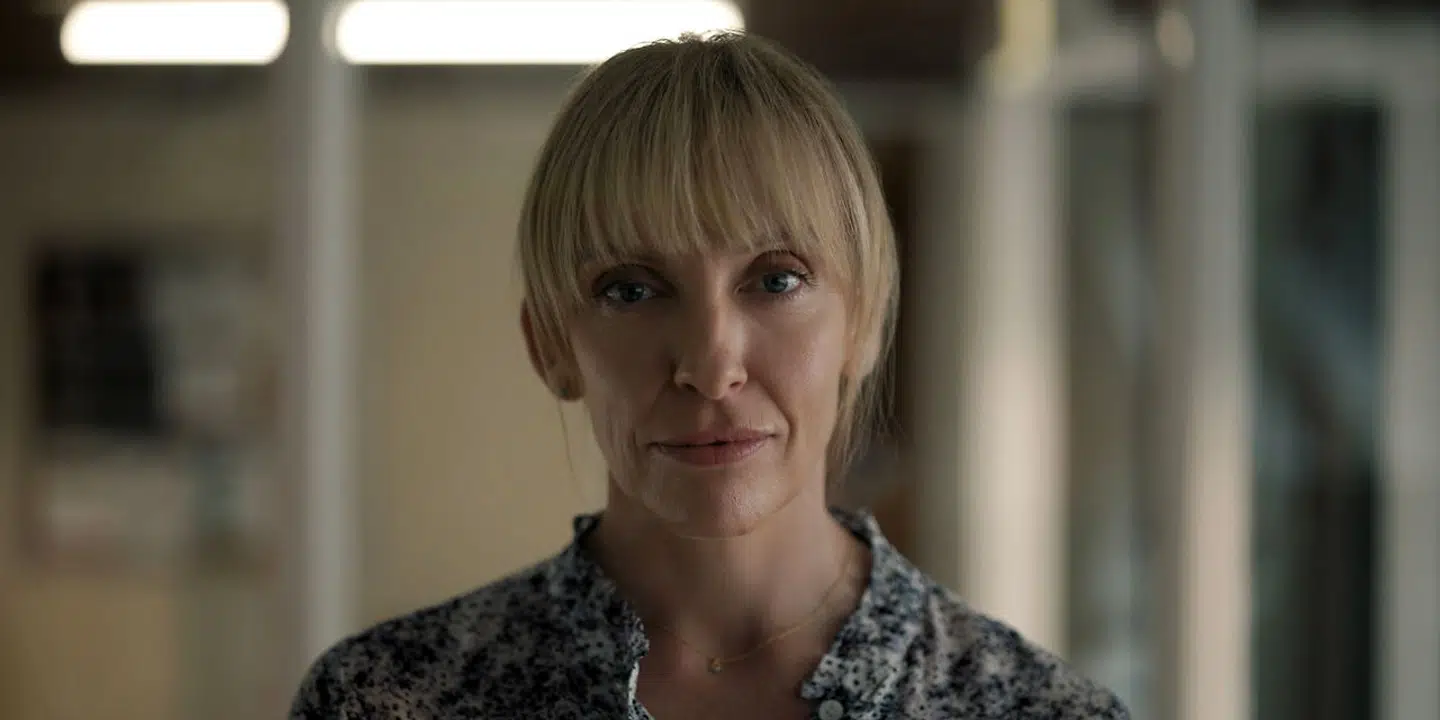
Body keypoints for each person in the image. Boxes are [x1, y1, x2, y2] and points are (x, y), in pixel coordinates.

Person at [290, 32, 1128, 720]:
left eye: (776, 280)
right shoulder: (385, 700)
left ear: (864, 324)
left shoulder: (1034, 710)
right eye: (631, 289)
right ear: (549, 344)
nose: (710, 365)